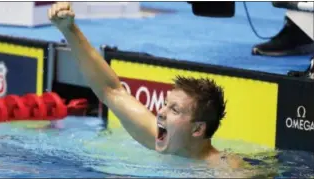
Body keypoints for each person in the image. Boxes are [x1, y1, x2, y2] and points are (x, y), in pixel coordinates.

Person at [47, 2, 259, 175]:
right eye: (166, 104)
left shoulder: (227, 171)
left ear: (198, 129)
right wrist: (69, 29)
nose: (161, 112)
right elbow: (110, 90)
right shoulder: (160, 137)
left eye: (174, 110)